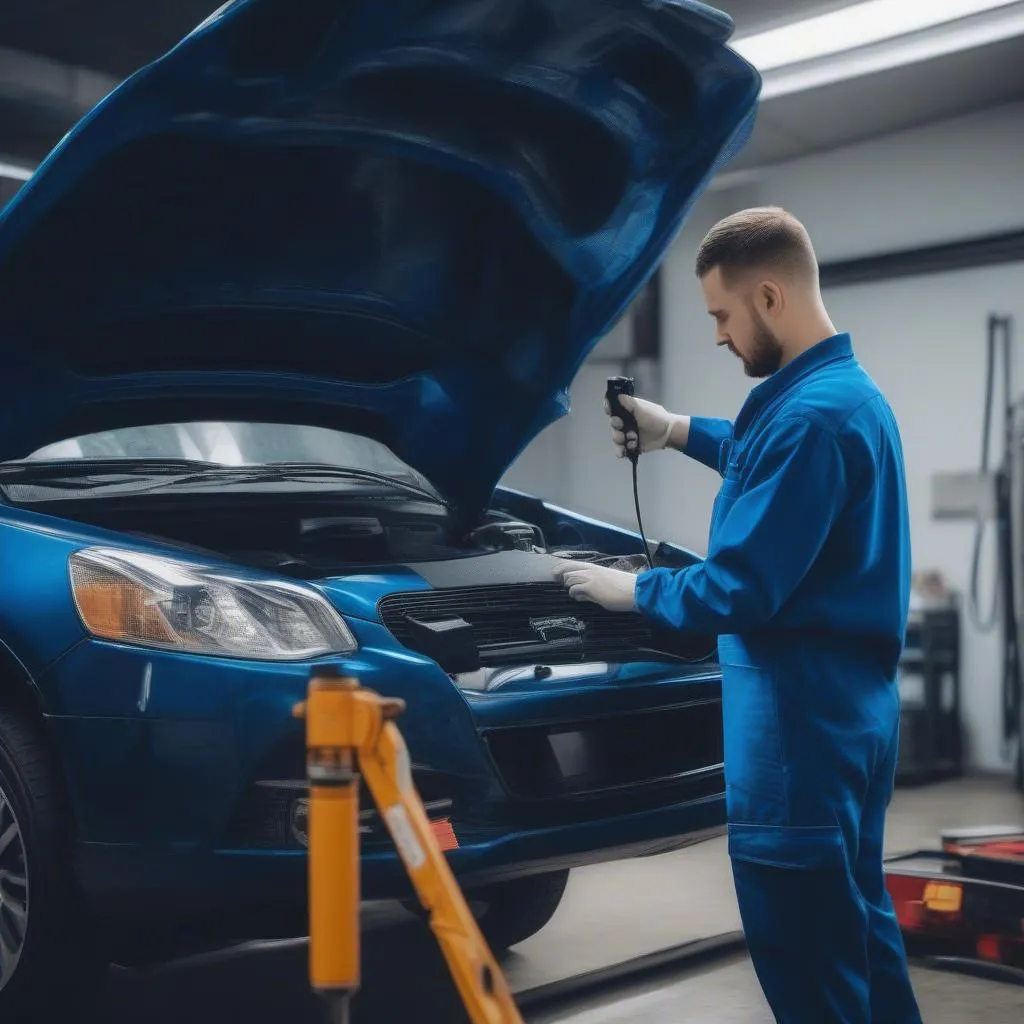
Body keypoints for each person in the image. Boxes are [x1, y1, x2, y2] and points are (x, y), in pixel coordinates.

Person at [553, 207, 923, 1023]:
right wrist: (678, 431)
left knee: (811, 969)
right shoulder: (846, 397)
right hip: (852, 725)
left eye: (722, 315)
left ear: (767, 296)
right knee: (860, 936)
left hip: (794, 736)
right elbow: (769, 458)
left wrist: (633, 591)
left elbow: (737, 590)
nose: (719, 335)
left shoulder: (808, 423)